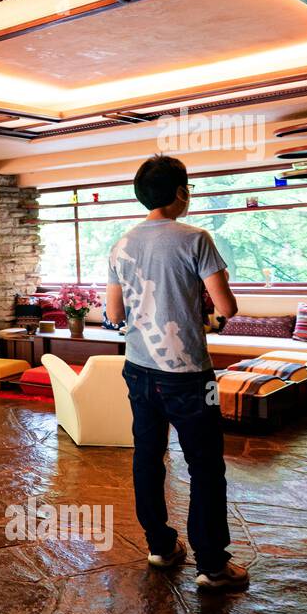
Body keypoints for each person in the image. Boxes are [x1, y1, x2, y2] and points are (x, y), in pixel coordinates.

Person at [105, 155, 248, 592]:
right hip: (188, 375)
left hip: (139, 370)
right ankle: (212, 566)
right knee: (205, 466)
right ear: (181, 192)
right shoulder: (195, 238)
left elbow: (114, 314)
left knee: (148, 456)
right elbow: (227, 307)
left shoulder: (120, 243)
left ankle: (161, 547)